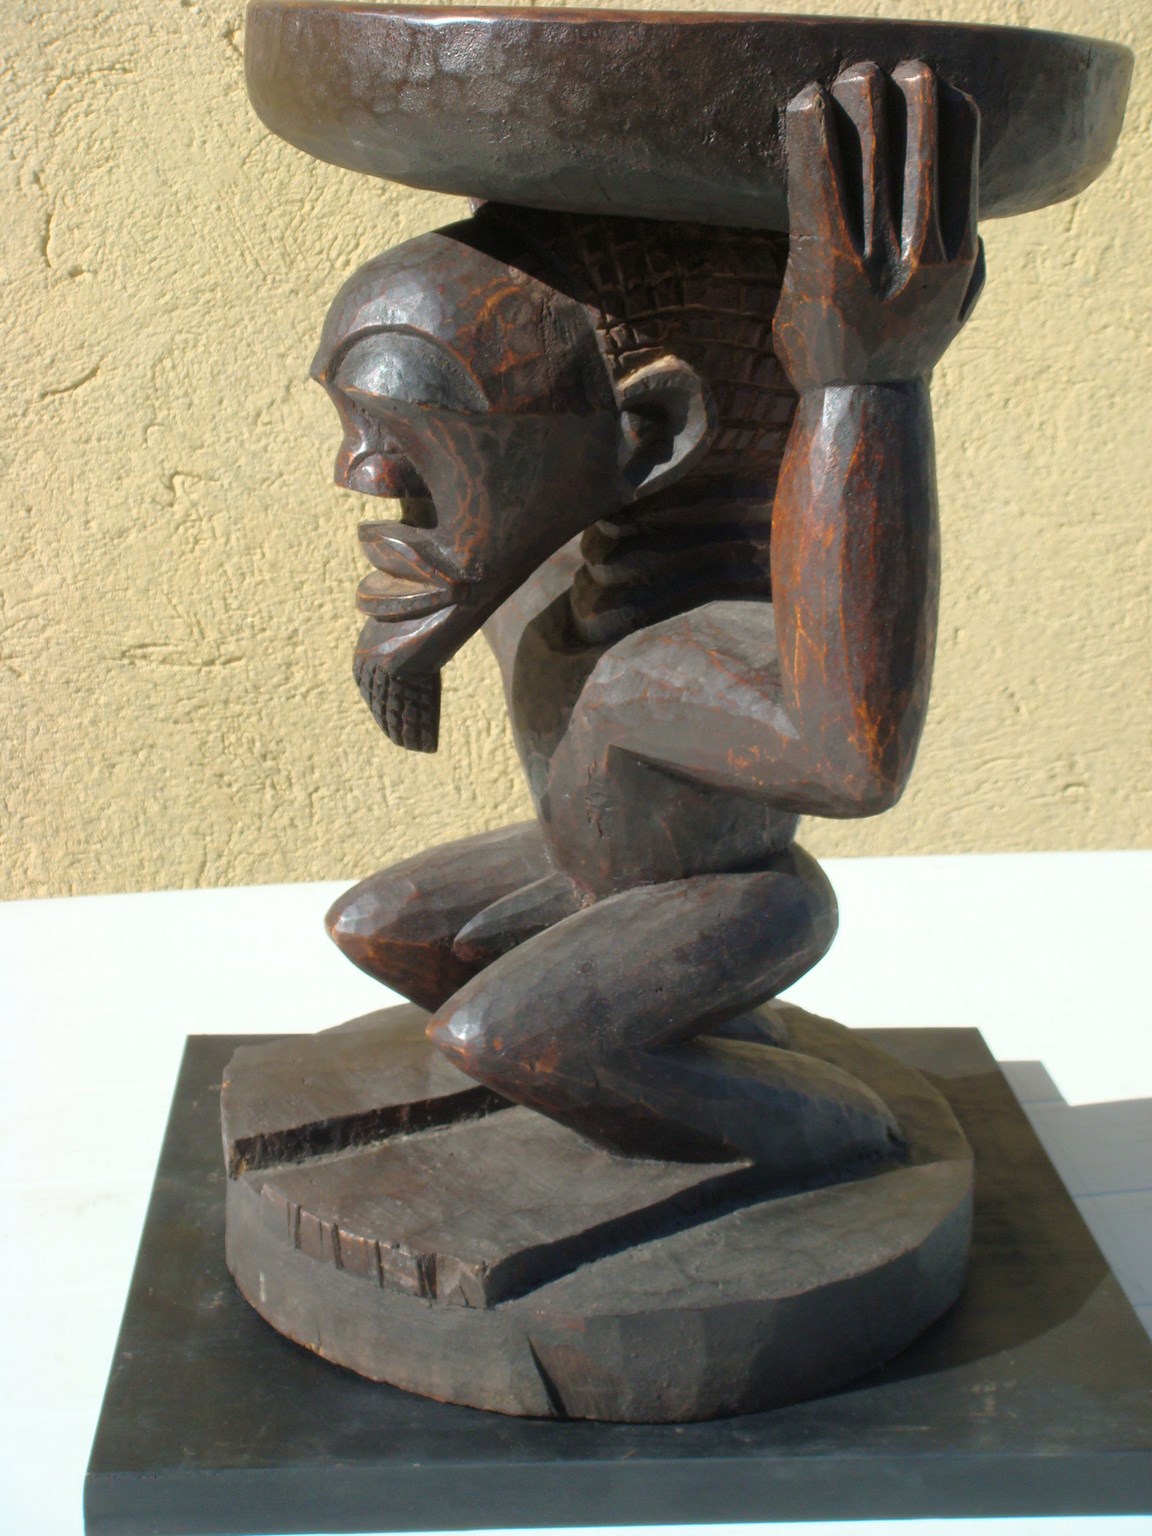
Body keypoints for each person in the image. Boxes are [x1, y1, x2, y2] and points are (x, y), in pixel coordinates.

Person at [315, 62, 985, 1171]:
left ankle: (839, 1139)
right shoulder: (550, 587)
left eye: (416, 425)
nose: (361, 473)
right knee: (376, 927)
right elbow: (482, 560)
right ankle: (653, 1049)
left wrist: (866, 386)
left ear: (650, 434)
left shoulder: (673, 664)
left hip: (733, 906)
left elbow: (855, 757)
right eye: (351, 421)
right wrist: (411, 635)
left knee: (501, 1037)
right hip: (582, 874)